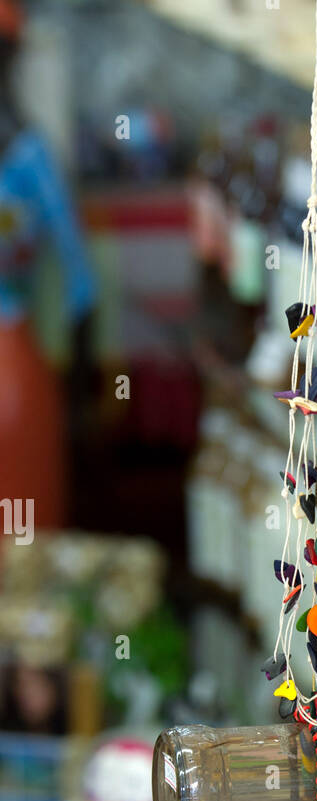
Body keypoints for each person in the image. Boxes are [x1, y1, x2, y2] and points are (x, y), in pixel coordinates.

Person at [0, 0, 96, 529]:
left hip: (17, 373)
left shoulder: (33, 158)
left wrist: (82, 407)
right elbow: (82, 284)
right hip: (19, 370)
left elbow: (82, 285)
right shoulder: (33, 156)